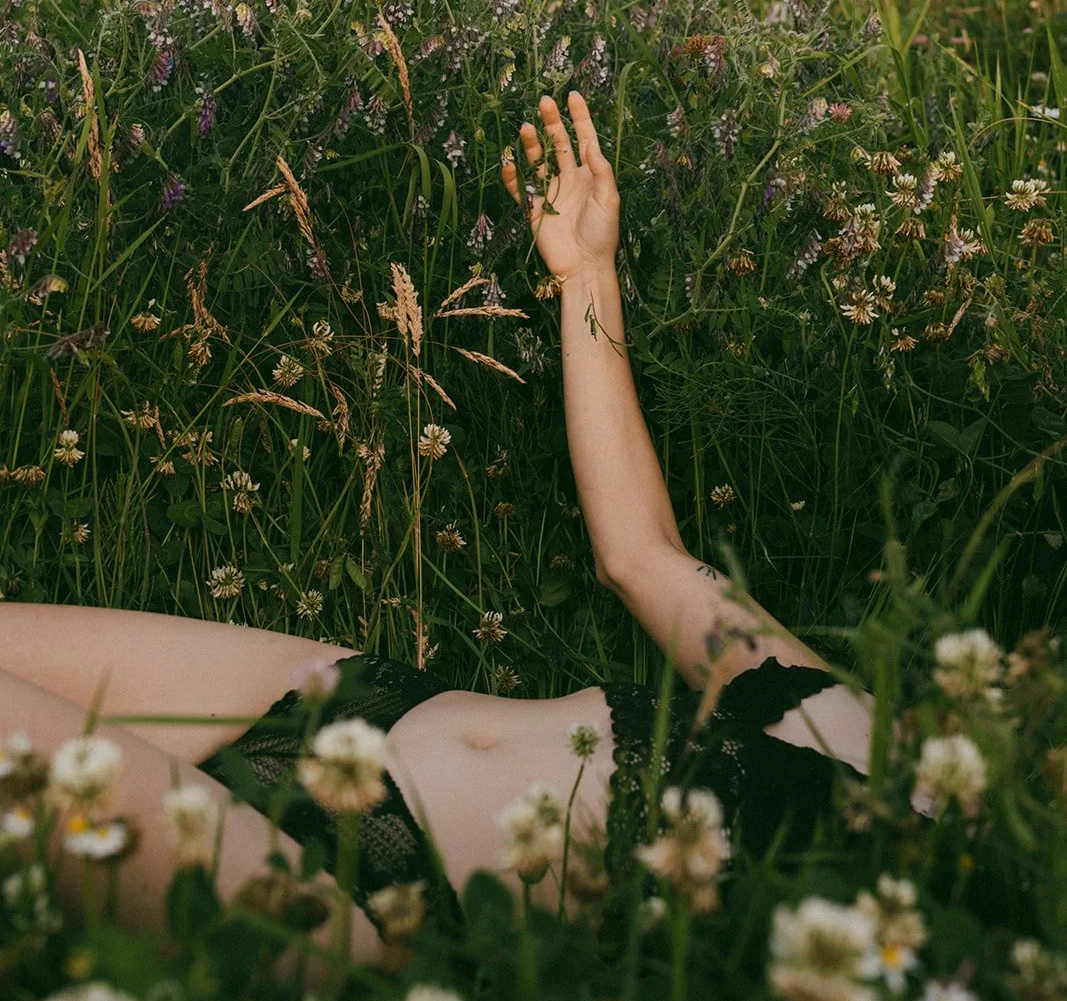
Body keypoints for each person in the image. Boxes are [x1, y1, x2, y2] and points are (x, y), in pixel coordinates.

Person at [0, 90, 880, 969]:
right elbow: (642, 556)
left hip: (357, 909)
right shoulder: (866, 737)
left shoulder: (916, 918)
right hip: (362, 708)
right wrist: (586, 279)